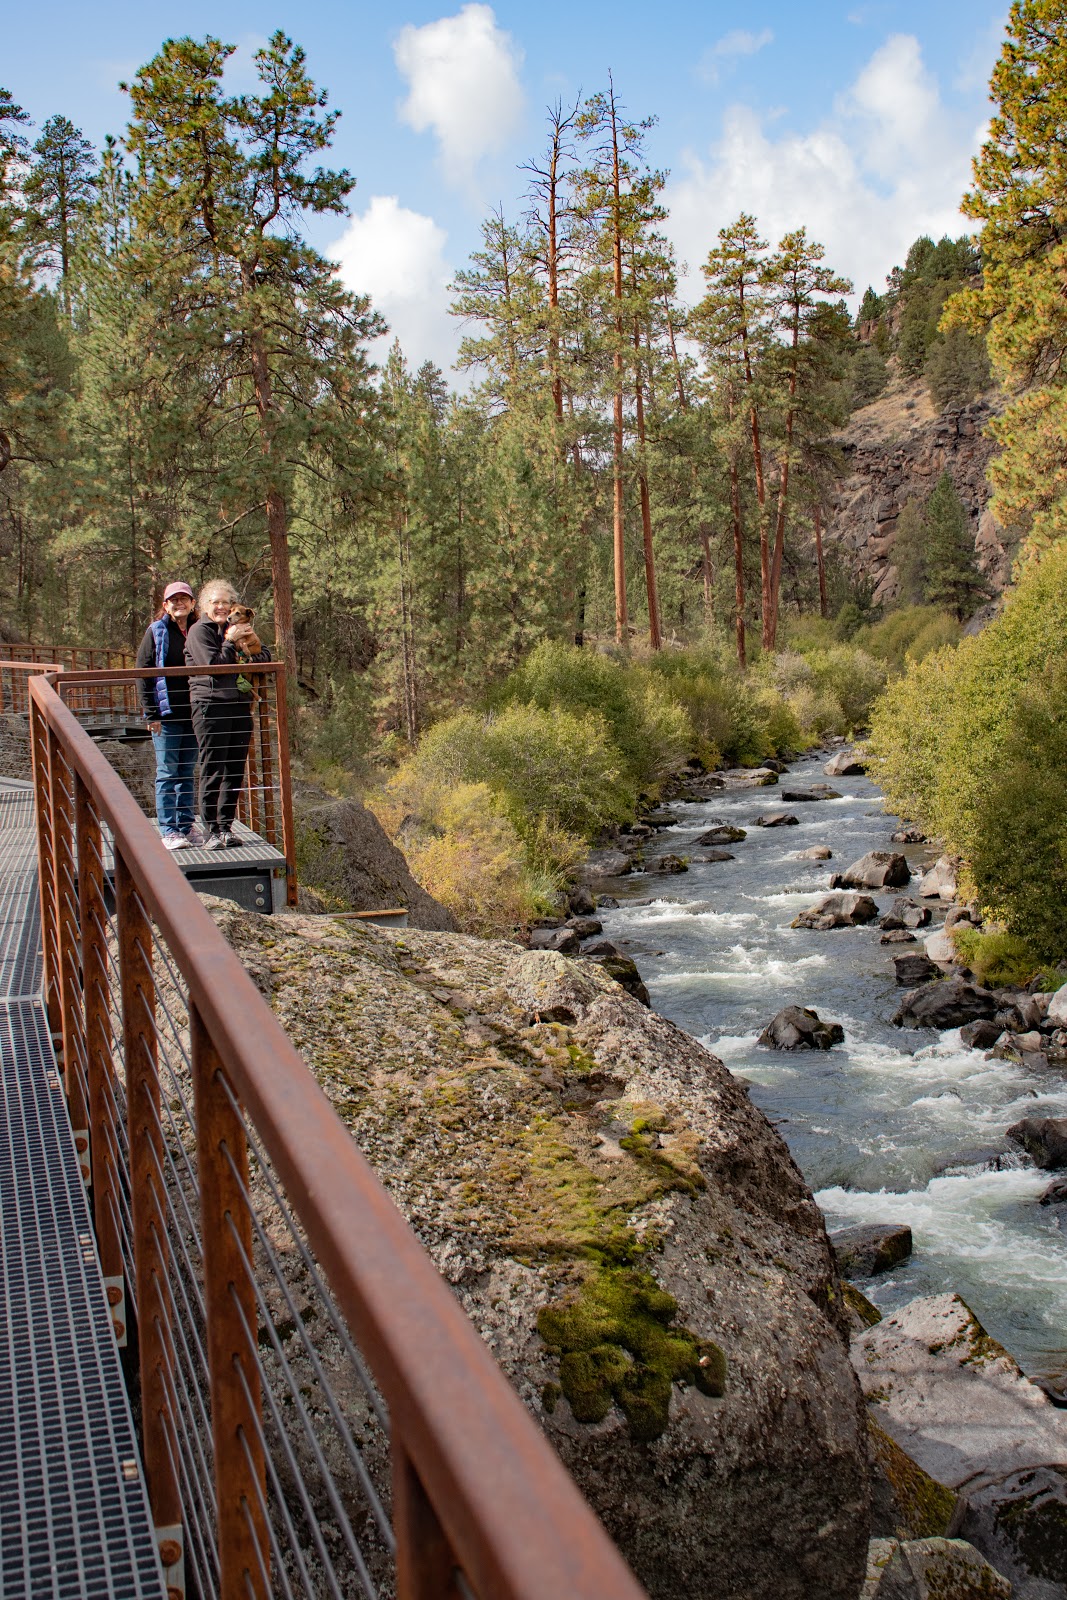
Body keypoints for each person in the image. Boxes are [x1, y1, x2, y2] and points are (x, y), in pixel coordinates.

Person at [184, 578, 271, 849]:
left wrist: (246, 653)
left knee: (234, 770)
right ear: (205, 605)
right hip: (210, 706)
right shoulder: (201, 631)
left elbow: (264, 656)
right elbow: (214, 665)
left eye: (226, 602)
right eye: (216, 602)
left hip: (239, 706)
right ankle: (210, 830)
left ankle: (226, 828)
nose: (222, 607)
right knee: (213, 768)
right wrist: (230, 643)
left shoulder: (237, 628)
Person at [135, 581, 205, 851]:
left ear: (192, 604)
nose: (179, 604)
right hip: (166, 715)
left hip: (194, 713)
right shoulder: (156, 631)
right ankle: (169, 830)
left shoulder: (198, 631)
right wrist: (151, 714)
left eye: (184, 599)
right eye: (173, 600)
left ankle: (186, 826)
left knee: (187, 772)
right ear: (165, 605)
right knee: (167, 773)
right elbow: (143, 672)